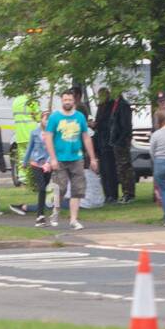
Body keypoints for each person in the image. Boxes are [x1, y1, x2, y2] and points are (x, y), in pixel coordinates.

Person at [43, 89, 99, 231]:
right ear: (62, 101)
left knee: (77, 190)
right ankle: (55, 212)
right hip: (60, 158)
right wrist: (53, 158)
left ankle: (74, 220)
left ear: (74, 101)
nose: (67, 102)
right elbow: (48, 138)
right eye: (65, 100)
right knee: (60, 188)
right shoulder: (55, 118)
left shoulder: (80, 117)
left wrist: (92, 158)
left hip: (76, 158)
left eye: (69, 100)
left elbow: (86, 137)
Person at [8, 108, 54, 225]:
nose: (47, 122)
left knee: (45, 189)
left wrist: (49, 162)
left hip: (48, 165)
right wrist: (24, 162)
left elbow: (53, 149)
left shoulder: (53, 133)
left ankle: (41, 212)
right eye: (46, 119)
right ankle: (40, 215)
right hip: (36, 164)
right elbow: (29, 148)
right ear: (41, 120)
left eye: (50, 120)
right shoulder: (34, 132)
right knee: (42, 188)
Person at [109, 93, 136, 204]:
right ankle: (125, 193)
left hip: (122, 141)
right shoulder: (116, 104)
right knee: (121, 168)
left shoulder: (123, 105)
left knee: (125, 167)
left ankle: (129, 193)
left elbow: (126, 125)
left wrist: (121, 139)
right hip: (117, 141)